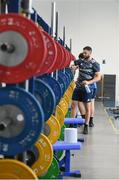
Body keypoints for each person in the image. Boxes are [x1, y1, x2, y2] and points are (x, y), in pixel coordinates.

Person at [71, 46, 101, 134]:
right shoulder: (81, 61)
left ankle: (86, 125)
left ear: (90, 53)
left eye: (85, 53)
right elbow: (73, 64)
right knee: (73, 105)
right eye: (83, 52)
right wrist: (73, 67)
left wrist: (89, 82)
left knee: (88, 107)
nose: (84, 54)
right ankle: (71, 124)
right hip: (78, 87)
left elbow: (98, 77)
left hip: (88, 88)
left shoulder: (95, 64)